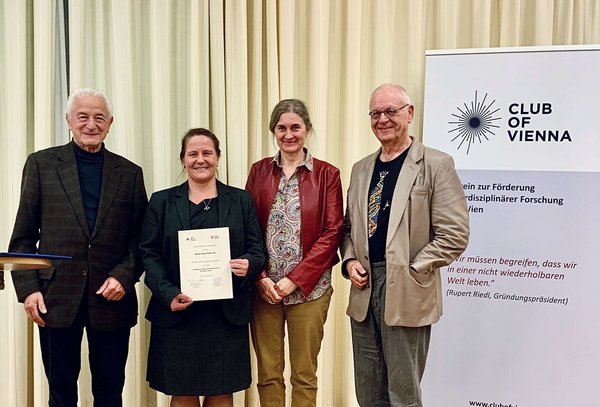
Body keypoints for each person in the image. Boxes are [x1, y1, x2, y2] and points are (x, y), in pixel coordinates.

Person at [9, 87, 148, 407]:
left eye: (99, 117)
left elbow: (140, 239)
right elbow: (23, 237)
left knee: (110, 391)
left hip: (111, 298)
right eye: (83, 116)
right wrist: (29, 289)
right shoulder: (41, 164)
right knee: (60, 392)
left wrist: (124, 277)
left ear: (110, 123)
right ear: (69, 120)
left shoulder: (129, 173)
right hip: (55, 298)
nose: (91, 124)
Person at [341, 84, 469, 406]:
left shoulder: (436, 164)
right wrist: (349, 261)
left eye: (390, 111)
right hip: (364, 290)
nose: (382, 119)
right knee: (368, 392)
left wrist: (412, 268)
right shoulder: (360, 170)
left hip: (407, 290)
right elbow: (348, 228)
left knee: (403, 393)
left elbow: (454, 234)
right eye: (375, 113)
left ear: (409, 114)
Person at [140, 128, 265, 407]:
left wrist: (249, 265)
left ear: (218, 157)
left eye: (207, 153)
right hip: (178, 311)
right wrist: (168, 293)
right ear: (183, 159)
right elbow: (148, 253)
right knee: (182, 391)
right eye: (192, 153)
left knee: (222, 390)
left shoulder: (241, 200)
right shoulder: (161, 202)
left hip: (225, 315)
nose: (200, 159)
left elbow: (257, 249)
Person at [245, 99, 344, 407]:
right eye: (281, 128)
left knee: (304, 375)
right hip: (264, 291)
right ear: (274, 131)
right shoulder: (259, 171)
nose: (288, 134)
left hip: (310, 292)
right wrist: (261, 278)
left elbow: (332, 232)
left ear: (307, 130)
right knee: (269, 374)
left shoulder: (328, 174)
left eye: (295, 127)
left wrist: (294, 280)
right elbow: (246, 227)